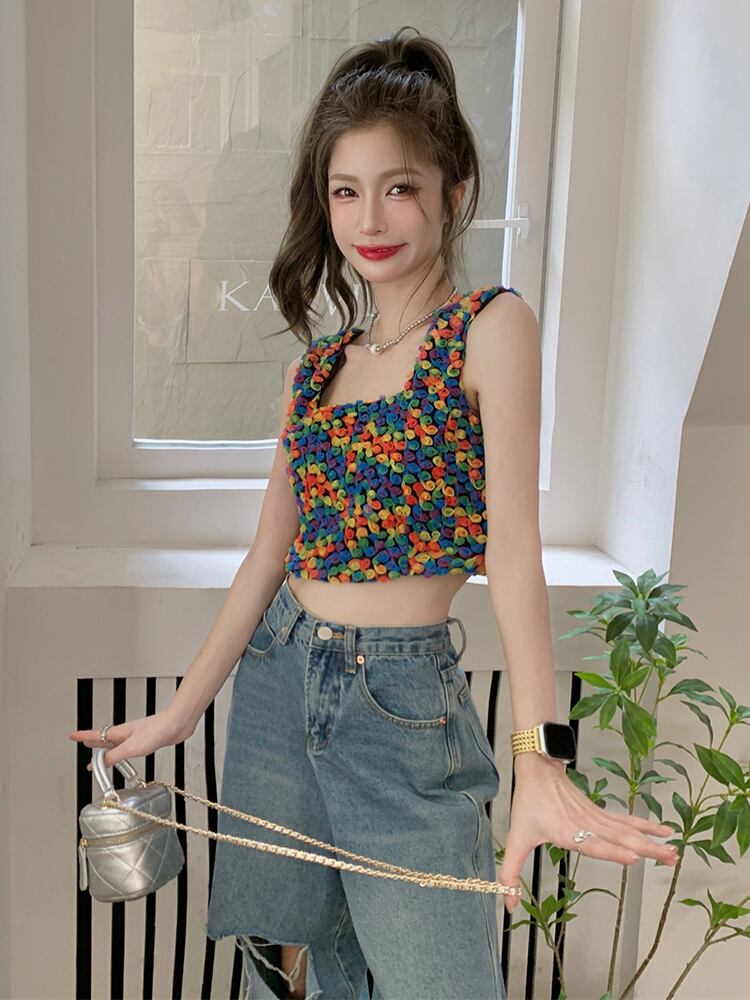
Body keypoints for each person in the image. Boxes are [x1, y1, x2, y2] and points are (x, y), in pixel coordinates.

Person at [69, 25, 678, 1000]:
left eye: (399, 187)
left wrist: (540, 758)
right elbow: (266, 559)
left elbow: (514, 551)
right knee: (287, 963)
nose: (370, 217)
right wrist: (178, 714)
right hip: (278, 680)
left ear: (453, 192)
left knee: (439, 979)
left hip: (402, 701)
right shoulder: (315, 371)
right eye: (346, 191)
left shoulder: (490, 330)